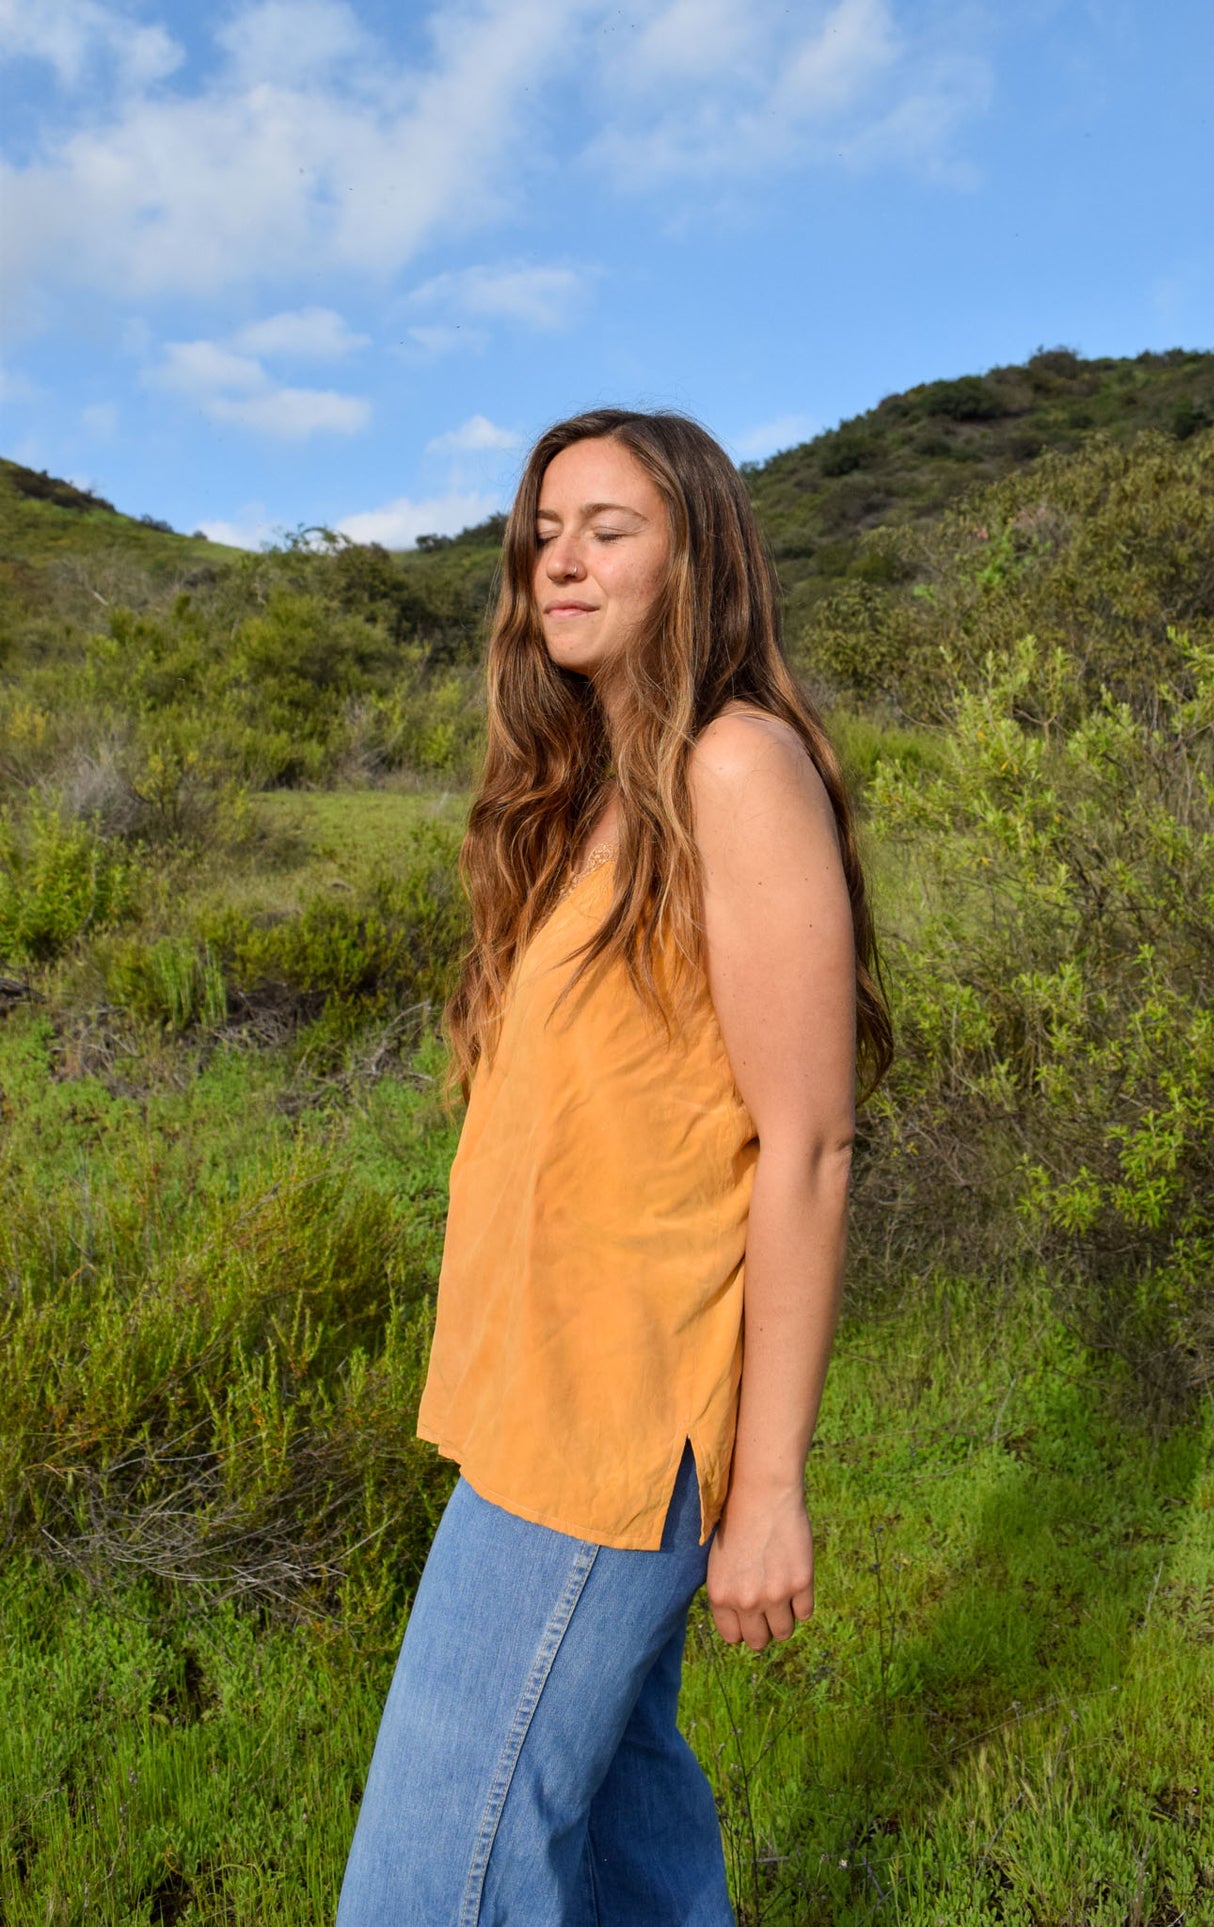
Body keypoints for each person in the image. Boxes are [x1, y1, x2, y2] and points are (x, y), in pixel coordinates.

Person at [335, 408, 892, 1925]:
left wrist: (766, 1487)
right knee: (628, 1852)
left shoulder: (732, 765)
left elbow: (812, 1144)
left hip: (617, 1437)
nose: (557, 560)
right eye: (544, 529)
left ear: (693, 556)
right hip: (534, 1403)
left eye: (608, 528)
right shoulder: (593, 789)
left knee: (425, 1885)